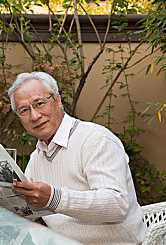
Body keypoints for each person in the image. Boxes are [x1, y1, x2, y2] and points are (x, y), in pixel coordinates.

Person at [8, 72, 146, 244]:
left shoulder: (96, 139)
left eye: (40, 104)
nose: (34, 116)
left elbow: (117, 204)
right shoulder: (37, 157)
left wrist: (54, 198)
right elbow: (27, 210)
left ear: (58, 100)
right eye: (24, 110)